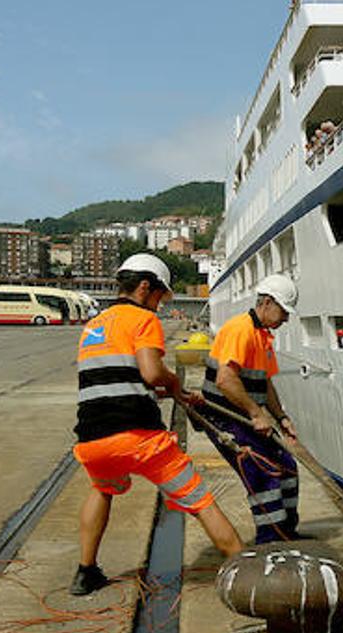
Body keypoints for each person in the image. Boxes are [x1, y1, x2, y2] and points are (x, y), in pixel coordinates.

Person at [69, 253, 242, 595]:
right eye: (160, 295)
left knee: (102, 490)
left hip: (92, 440)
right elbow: (150, 372)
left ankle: (85, 572)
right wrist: (175, 385)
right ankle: (245, 571)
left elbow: (116, 380)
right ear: (145, 287)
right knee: (200, 500)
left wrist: (162, 392)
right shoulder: (142, 319)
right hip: (139, 439)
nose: (161, 304)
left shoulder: (94, 325)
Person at [194, 273, 302, 543]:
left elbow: (265, 384)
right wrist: (256, 413)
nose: (286, 319)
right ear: (266, 303)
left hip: (245, 418)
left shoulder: (262, 336)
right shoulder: (240, 330)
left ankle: (286, 531)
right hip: (225, 419)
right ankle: (270, 541)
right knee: (263, 473)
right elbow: (225, 380)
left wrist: (281, 417)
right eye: (284, 312)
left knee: (287, 467)